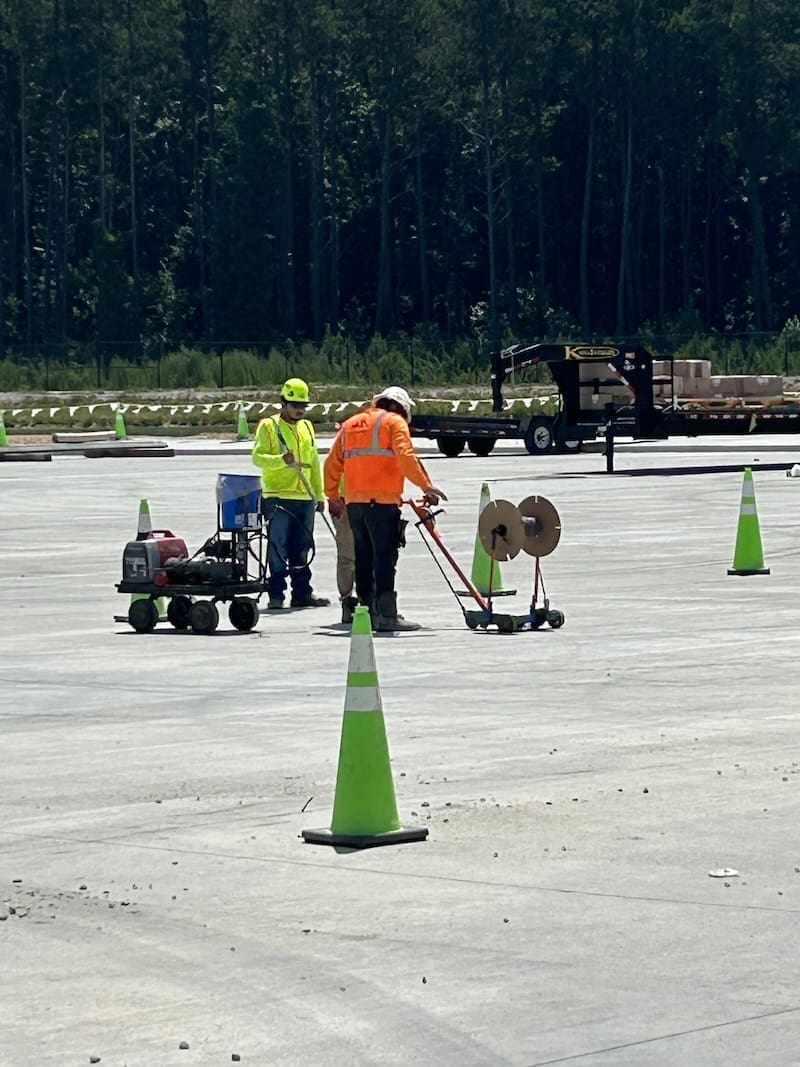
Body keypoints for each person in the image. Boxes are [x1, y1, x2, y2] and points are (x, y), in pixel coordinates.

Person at [324, 385, 447, 632]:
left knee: (363, 558)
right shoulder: (394, 423)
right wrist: (426, 486)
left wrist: (332, 495)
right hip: (382, 504)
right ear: (402, 408)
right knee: (384, 558)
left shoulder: (351, 424)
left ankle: (366, 613)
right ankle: (388, 615)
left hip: (355, 503)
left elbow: (332, 463)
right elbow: (405, 457)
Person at [252, 377, 330, 610]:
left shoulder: (307, 427)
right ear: (283, 403)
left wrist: (319, 494)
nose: (300, 410)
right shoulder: (269, 426)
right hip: (278, 496)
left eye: (303, 406)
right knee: (278, 547)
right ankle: (276, 594)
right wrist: (280, 461)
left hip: (304, 497)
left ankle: (302, 593)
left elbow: (314, 462)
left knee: (303, 546)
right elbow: (257, 457)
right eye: (295, 405)